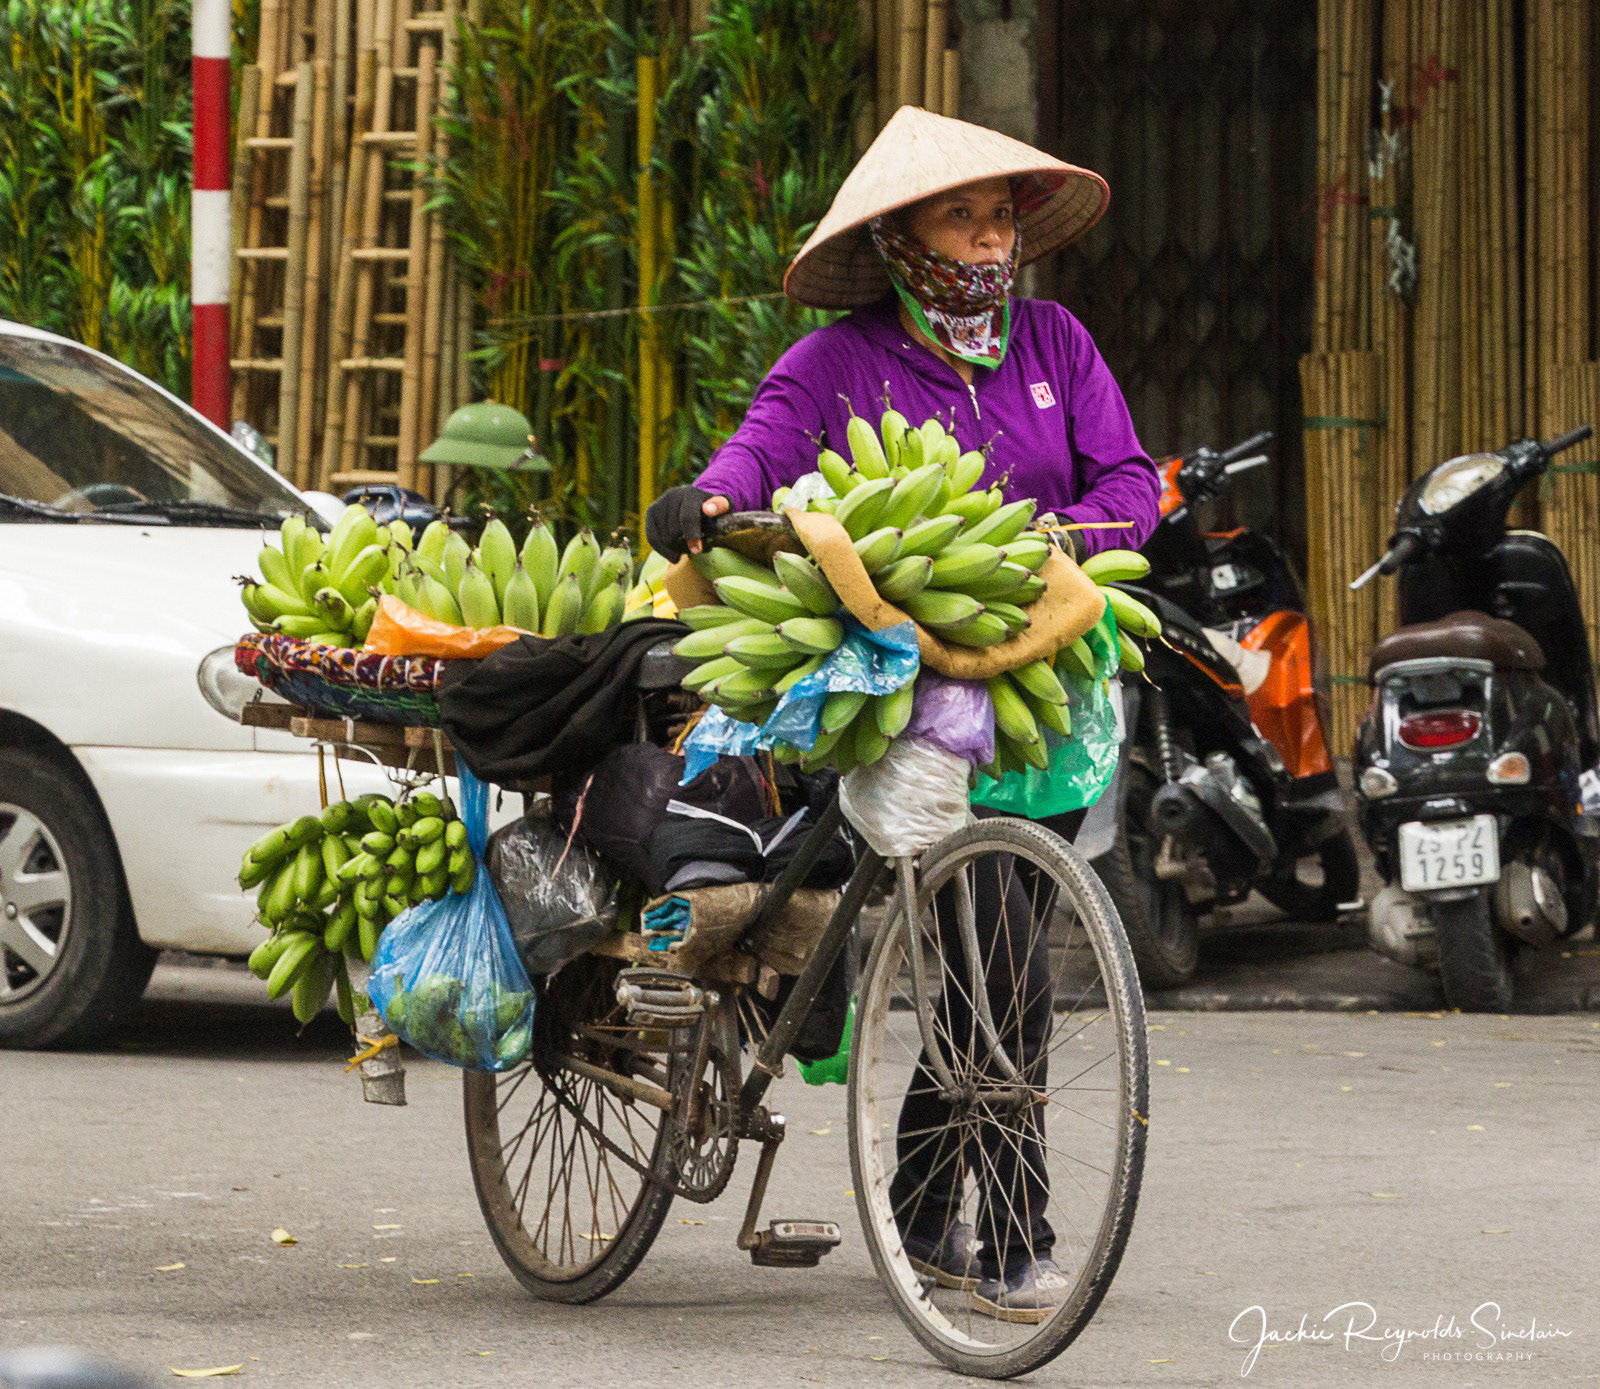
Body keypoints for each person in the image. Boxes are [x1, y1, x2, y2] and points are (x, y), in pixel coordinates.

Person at [645, 105, 1160, 1321]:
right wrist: (706, 508)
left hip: (1039, 693)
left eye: (999, 216)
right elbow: (755, 461)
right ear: (899, 237)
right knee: (1003, 971)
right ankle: (1013, 1233)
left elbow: (1129, 481)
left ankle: (926, 1212)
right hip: (898, 698)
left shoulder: (1057, 344)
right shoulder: (835, 364)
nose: (986, 239)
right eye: (958, 215)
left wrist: (1071, 536)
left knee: (992, 959)